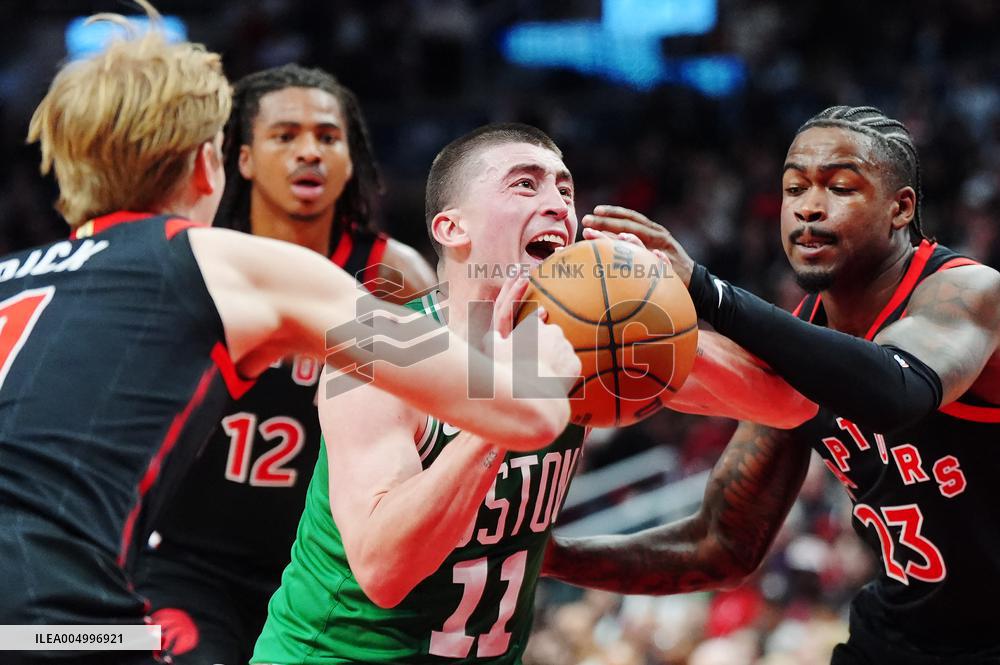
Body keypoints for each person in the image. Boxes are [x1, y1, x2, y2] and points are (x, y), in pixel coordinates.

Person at [0, 6, 579, 663]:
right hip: (59, 610)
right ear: (207, 166)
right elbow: (522, 411)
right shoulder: (235, 263)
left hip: (40, 629)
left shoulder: (12, 277)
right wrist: (536, 363)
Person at [250, 123, 814, 665]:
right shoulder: (383, 348)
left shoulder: (587, 337)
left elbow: (790, 404)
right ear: (453, 229)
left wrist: (670, 298)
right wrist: (516, 400)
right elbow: (384, 571)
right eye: (525, 184)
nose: (558, 205)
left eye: (565, 189)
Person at [543, 106, 1000, 664]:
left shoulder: (969, 293)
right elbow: (720, 543)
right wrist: (546, 556)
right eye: (793, 187)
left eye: (839, 187)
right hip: (897, 637)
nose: (808, 206)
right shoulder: (805, 340)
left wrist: (707, 292)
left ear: (899, 209)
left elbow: (895, 391)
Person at [133, 64, 437, 665]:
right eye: (285, 136)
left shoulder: (394, 276)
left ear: (351, 160)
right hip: (187, 562)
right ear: (242, 159)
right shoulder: (201, 259)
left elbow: (444, 420)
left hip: (324, 570)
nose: (309, 153)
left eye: (328, 138)